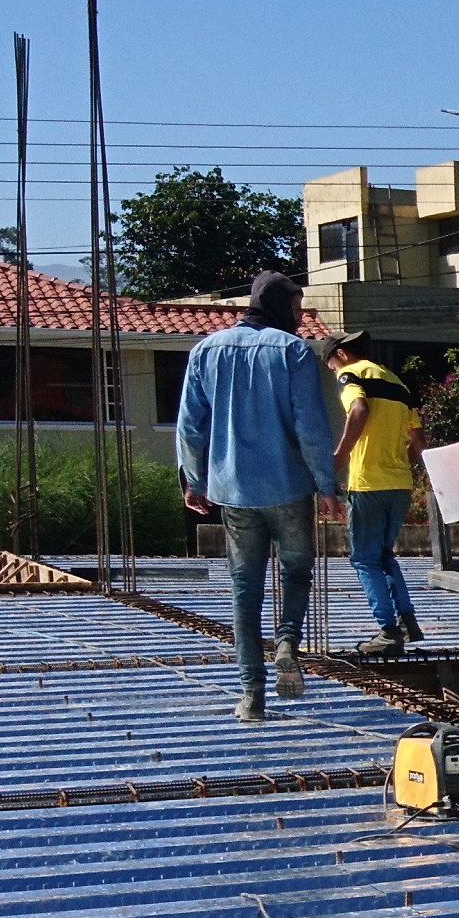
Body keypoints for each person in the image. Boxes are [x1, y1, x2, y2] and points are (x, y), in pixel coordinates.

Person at [173, 272, 338, 721]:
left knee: (244, 591)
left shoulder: (206, 351)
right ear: (282, 306)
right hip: (288, 488)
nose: (302, 317)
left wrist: (194, 480)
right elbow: (310, 427)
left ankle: (250, 696)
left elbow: (190, 426)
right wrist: (327, 486)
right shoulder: (293, 353)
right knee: (297, 572)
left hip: (233, 491)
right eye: (299, 307)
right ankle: (287, 641)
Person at [319, 329, 422, 651]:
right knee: (385, 555)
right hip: (399, 484)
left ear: (340, 355)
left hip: (368, 483)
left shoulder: (350, 374)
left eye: (331, 366)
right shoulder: (396, 382)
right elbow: (418, 442)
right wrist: (396, 465)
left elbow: (359, 410)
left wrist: (338, 459)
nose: (334, 371)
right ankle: (407, 621)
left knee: (364, 559)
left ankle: (388, 632)